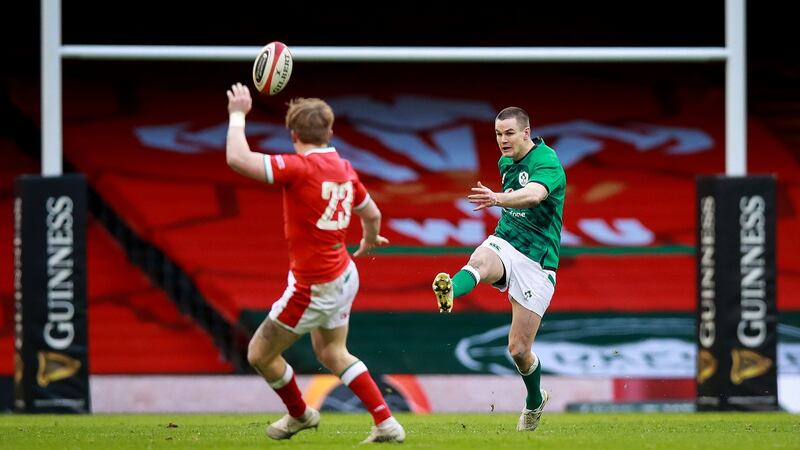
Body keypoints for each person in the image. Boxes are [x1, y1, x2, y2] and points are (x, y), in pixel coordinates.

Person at [225, 82, 405, 443]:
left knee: (259, 354)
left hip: (314, 285)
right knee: (333, 352)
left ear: (293, 135)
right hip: (343, 273)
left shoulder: (298, 168)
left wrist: (237, 115)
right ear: (330, 132)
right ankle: (386, 422)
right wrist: (370, 238)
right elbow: (372, 213)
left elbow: (238, 159)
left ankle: (300, 414)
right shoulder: (344, 167)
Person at [432, 106, 565, 432]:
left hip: (538, 261)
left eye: (509, 133)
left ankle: (535, 399)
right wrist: (499, 200)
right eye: (497, 134)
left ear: (526, 132)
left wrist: (497, 198)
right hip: (506, 241)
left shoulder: (547, 161)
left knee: (518, 349)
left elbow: (534, 195)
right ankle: (451, 288)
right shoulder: (505, 162)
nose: (502, 140)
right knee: (479, 261)